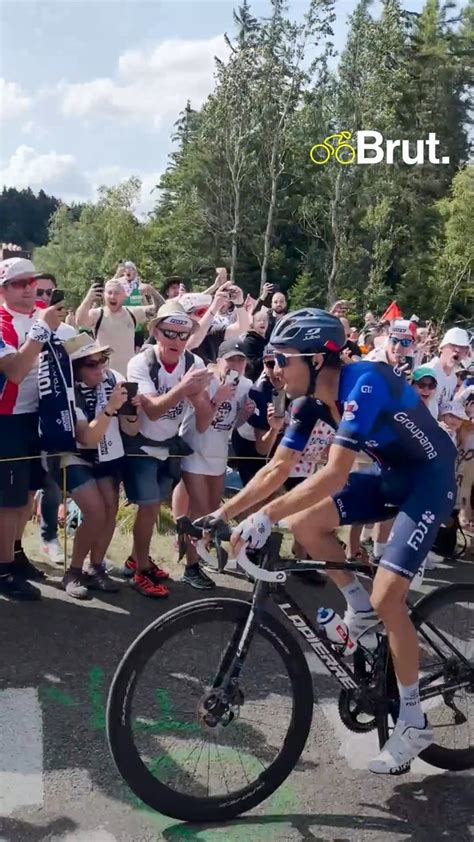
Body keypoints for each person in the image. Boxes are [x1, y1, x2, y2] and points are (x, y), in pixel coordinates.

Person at [211, 307, 457, 774]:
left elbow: (335, 473)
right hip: (391, 477)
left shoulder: (364, 381)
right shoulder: (307, 403)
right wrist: (221, 514)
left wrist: (264, 516)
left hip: (429, 482)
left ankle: (413, 720)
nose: (274, 371)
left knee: (390, 597)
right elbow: (278, 469)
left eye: (281, 361)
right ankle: (357, 606)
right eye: (269, 362)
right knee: (306, 525)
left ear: (318, 359)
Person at [124, 300, 212, 596]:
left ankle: (139, 558)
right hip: (140, 444)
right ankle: (139, 572)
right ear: (156, 332)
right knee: (148, 507)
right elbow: (152, 411)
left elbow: (203, 421)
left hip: (169, 445)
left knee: (155, 505)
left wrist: (203, 399)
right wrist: (185, 388)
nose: (177, 340)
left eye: (183, 334)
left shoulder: (193, 363)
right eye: (169, 333)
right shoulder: (141, 362)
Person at [0, 256, 64, 599]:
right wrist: (42, 331)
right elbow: (15, 370)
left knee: (26, 496)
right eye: (20, 284)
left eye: (33, 282)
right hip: (5, 419)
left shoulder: (41, 312)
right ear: (3, 289)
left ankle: (16, 553)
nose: (30, 289)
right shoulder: (1, 321)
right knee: (8, 501)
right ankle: (3, 569)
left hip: (34, 417)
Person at [60, 335, 138, 599]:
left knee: (109, 510)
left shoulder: (114, 379)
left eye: (102, 360)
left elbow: (131, 428)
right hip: (76, 455)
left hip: (109, 454)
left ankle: (96, 567)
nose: (99, 368)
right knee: (95, 512)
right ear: (77, 368)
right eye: (91, 364)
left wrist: (130, 411)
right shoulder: (70, 391)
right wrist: (109, 409)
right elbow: (86, 437)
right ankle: (73, 571)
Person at [180, 338, 253, 584]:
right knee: (199, 512)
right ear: (218, 361)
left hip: (218, 454)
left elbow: (231, 425)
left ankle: (200, 556)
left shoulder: (246, 385)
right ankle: (190, 568)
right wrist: (217, 398)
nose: (236, 364)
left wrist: (244, 414)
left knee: (213, 512)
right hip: (194, 451)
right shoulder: (206, 382)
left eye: (241, 360)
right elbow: (201, 426)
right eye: (230, 359)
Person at [75, 277, 162, 375]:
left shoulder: (132, 313)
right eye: (109, 293)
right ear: (104, 295)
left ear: (124, 296)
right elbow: (79, 321)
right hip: (105, 376)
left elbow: (161, 310)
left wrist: (152, 291)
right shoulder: (98, 314)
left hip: (129, 374)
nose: (112, 296)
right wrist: (88, 298)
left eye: (116, 293)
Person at [428, 327, 471, 418]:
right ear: (441, 348)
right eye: (453, 345)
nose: (458, 350)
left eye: (462, 347)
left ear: (466, 353)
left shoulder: (453, 379)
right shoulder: (429, 371)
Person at [241, 310, 269, 381]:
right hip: (254, 381)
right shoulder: (249, 341)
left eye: (265, 320)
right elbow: (251, 365)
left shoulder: (268, 340)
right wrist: (267, 356)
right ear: (253, 324)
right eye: (259, 320)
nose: (262, 322)